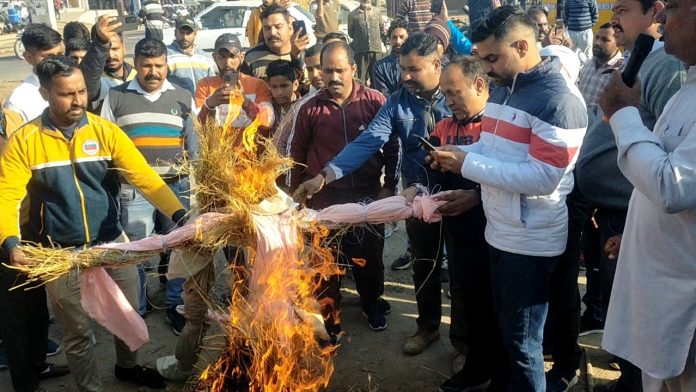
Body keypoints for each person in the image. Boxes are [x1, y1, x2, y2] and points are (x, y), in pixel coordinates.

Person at [0, 55, 187, 391]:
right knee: (77, 334)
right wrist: (10, 241)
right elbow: (8, 195)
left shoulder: (104, 131)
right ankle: (91, 388)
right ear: (44, 94)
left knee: (127, 314)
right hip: (60, 255)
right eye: (66, 94)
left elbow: (143, 176)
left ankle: (127, 367)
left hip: (111, 242)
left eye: (82, 91)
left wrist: (179, 215)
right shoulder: (25, 141)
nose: (78, 101)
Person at [428, 7, 587, 390]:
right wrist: (460, 154)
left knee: (523, 342)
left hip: (530, 239)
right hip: (502, 230)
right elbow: (494, 146)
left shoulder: (557, 101)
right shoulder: (506, 88)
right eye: (482, 59)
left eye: (492, 58)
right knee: (509, 330)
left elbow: (543, 179)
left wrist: (468, 165)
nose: (486, 68)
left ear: (521, 45)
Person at [293, 33, 456, 357]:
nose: (405, 77)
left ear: (437, 64)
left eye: (413, 69)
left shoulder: (457, 92)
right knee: (424, 266)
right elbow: (369, 142)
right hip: (418, 200)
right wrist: (324, 176)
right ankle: (427, 329)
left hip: (463, 197)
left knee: (465, 273)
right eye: (402, 69)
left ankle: (466, 345)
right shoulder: (396, 102)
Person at [574, 0, 686, 390]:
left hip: (675, 276)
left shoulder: (670, 69)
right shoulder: (679, 80)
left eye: (621, 9)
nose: (663, 18)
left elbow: (672, 182)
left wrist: (621, 113)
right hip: (636, 227)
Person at [290, 41, 398, 337]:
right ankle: (330, 318)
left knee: (369, 260)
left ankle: (371, 303)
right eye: (328, 71)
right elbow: (296, 155)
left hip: (366, 201)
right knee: (324, 267)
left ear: (353, 68)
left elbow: (392, 148)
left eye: (340, 70)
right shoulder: (309, 108)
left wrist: (388, 187)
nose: (334, 77)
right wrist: (295, 196)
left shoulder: (376, 101)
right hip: (323, 203)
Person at [100, 37, 198, 336]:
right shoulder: (115, 97)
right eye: (146, 65)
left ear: (167, 64)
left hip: (176, 187)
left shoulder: (182, 95)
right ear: (136, 64)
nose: (153, 72)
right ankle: (137, 309)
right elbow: (107, 147)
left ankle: (174, 306)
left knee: (179, 247)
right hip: (134, 191)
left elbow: (193, 145)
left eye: (159, 65)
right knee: (138, 250)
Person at [425, 55, 501, 392]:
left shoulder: (499, 124)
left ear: (480, 85)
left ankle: (502, 371)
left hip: (498, 230)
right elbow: (433, 174)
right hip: (458, 230)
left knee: (498, 303)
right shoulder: (445, 126)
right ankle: (477, 365)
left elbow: (521, 178)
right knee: (469, 298)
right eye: (445, 94)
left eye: (454, 93)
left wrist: (476, 197)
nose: (449, 101)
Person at [0, 105, 70, 392]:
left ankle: (39, 363)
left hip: (29, 228)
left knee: (36, 306)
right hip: (5, 234)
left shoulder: (10, 118)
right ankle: (26, 384)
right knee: (15, 315)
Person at [196, 33, 274, 132]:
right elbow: (197, 127)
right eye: (222, 57)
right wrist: (209, 105)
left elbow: (268, 122)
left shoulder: (258, 85)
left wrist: (245, 102)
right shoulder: (205, 85)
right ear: (215, 58)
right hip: (216, 147)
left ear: (241, 57)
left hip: (250, 147)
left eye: (232, 56)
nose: (228, 63)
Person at [4, 23, 63, 123]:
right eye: (48, 57)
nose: (56, 61)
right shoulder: (18, 102)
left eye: (60, 54)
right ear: (29, 58)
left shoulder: (76, 85)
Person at [272, 43, 324, 156]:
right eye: (310, 69)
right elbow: (278, 142)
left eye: (319, 67)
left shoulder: (356, 98)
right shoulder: (302, 105)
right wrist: (291, 171)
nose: (315, 74)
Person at [81, 16, 137, 112]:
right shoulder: (97, 81)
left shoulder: (137, 75)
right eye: (106, 50)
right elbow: (88, 82)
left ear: (124, 48)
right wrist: (101, 42)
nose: (110, 55)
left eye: (115, 49)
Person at [242, 4, 309, 81]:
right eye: (267, 28)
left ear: (290, 29)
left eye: (278, 27)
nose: (272, 32)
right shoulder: (252, 57)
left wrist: (296, 57)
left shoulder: (303, 55)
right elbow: (243, 89)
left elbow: (305, 88)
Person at [578, 23, 623, 111]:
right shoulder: (589, 64)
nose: (597, 42)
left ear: (618, 44)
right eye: (597, 37)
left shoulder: (621, 70)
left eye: (605, 40)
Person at [167, 18, 217, 96]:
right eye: (181, 33)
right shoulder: (167, 56)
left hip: (202, 105)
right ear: (175, 33)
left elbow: (212, 84)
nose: (185, 37)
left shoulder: (205, 57)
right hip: (178, 105)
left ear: (195, 33)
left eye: (188, 33)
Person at [347, 0, 384, 84]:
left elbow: (381, 28)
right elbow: (351, 33)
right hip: (360, 51)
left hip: (376, 50)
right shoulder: (352, 15)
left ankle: (375, 97)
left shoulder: (377, 11)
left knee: (376, 78)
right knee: (361, 79)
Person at [372, 18, 409, 96]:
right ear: (390, 40)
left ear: (408, 39)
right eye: (394, 38)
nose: (398, 41)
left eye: (402, 37)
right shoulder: (380, 67)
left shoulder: (416, 63)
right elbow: (384, 96)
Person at [266, 59, 299, 134]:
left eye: (284, 86)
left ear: (295, 85)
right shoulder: (269, 110)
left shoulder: (305, 108)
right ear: (269, 86)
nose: (279, 92)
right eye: (274, 87)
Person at [564, 0, 599, 64]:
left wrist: (587, 26)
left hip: (585, 32)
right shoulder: (568, 1)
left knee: (587, 56)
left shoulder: (591, 1)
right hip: (571, 32)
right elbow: (566, 15)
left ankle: (588, 72)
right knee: (570, 54)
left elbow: (595, 15)